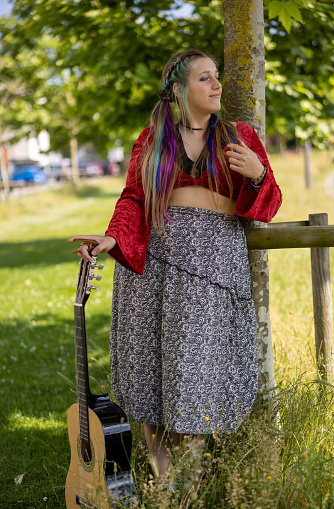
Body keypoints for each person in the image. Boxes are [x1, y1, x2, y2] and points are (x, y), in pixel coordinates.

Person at [68, 49, 282, 481]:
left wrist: (258, 173)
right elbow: (133, 199)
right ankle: (169, 488)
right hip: (156, 267)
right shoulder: (150, 140)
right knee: (155, 382)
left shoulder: (239, 136)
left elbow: (268, 205)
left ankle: (187, 487)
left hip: (210, 268)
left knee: (194, 379)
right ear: (180, 90)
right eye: (205, 78)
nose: (217, 85)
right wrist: (113, 237)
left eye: (216, 76)